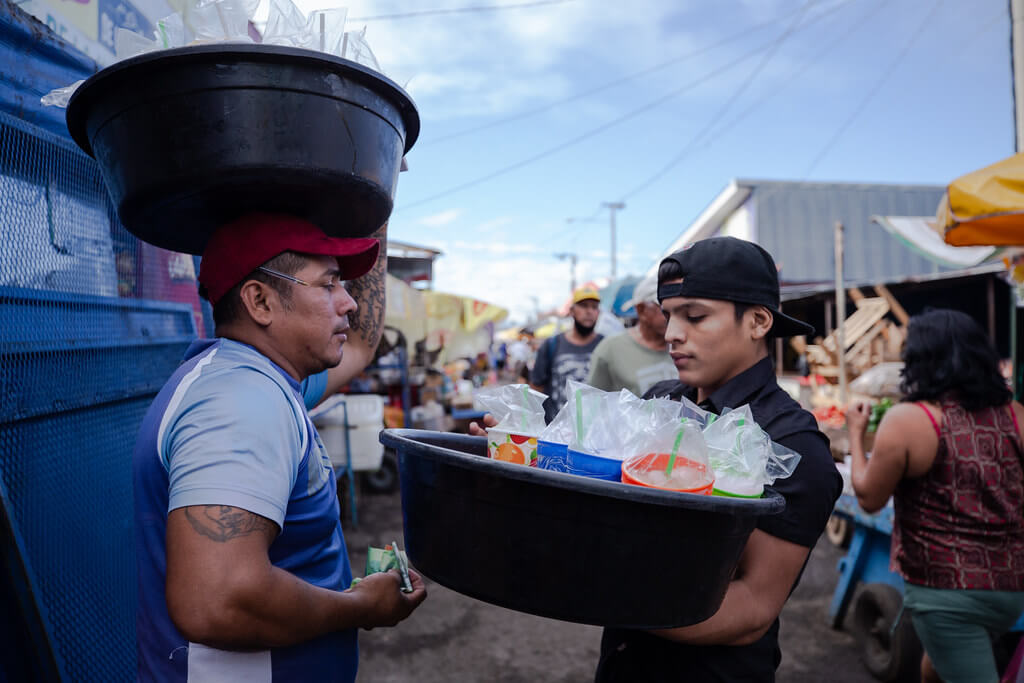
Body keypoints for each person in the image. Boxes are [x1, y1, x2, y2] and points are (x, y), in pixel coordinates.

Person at [132, 213, 426, 682]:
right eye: (328, 284)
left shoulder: (265, 379)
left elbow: (362, 345)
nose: (348, 303)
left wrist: (376, 205)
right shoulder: (242, 402)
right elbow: (217, 600)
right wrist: (359, 606)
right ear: (260, 301)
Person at [595, 236, 842, 682]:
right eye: (669, 315)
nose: (671, 333)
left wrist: (597, 594)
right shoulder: (659, 404)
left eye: (695, 316)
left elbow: (751, 607)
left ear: (758, 322)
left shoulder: (791, 443)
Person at [846, 308, 1024, 683]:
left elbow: (868, 498)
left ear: (919, 360)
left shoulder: (910, 419)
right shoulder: (1016, 415)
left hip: (946, 594)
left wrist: (855, 433)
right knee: (937, 666)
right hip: (1013, 588)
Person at [586, 273, 676, 396]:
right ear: (641, 310)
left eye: (675, 307)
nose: (671, 315)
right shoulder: (610, 349)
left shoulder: (683, 345)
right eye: (663, 308)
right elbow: (591, 403)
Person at [531, 286, 604, 421]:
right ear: (571, 311)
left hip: (596, 431)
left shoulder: (606, 346)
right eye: (583, 306)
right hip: (556, 434)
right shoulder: (551, 345)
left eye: (594, 307)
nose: (589, 311)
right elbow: (536, 390)